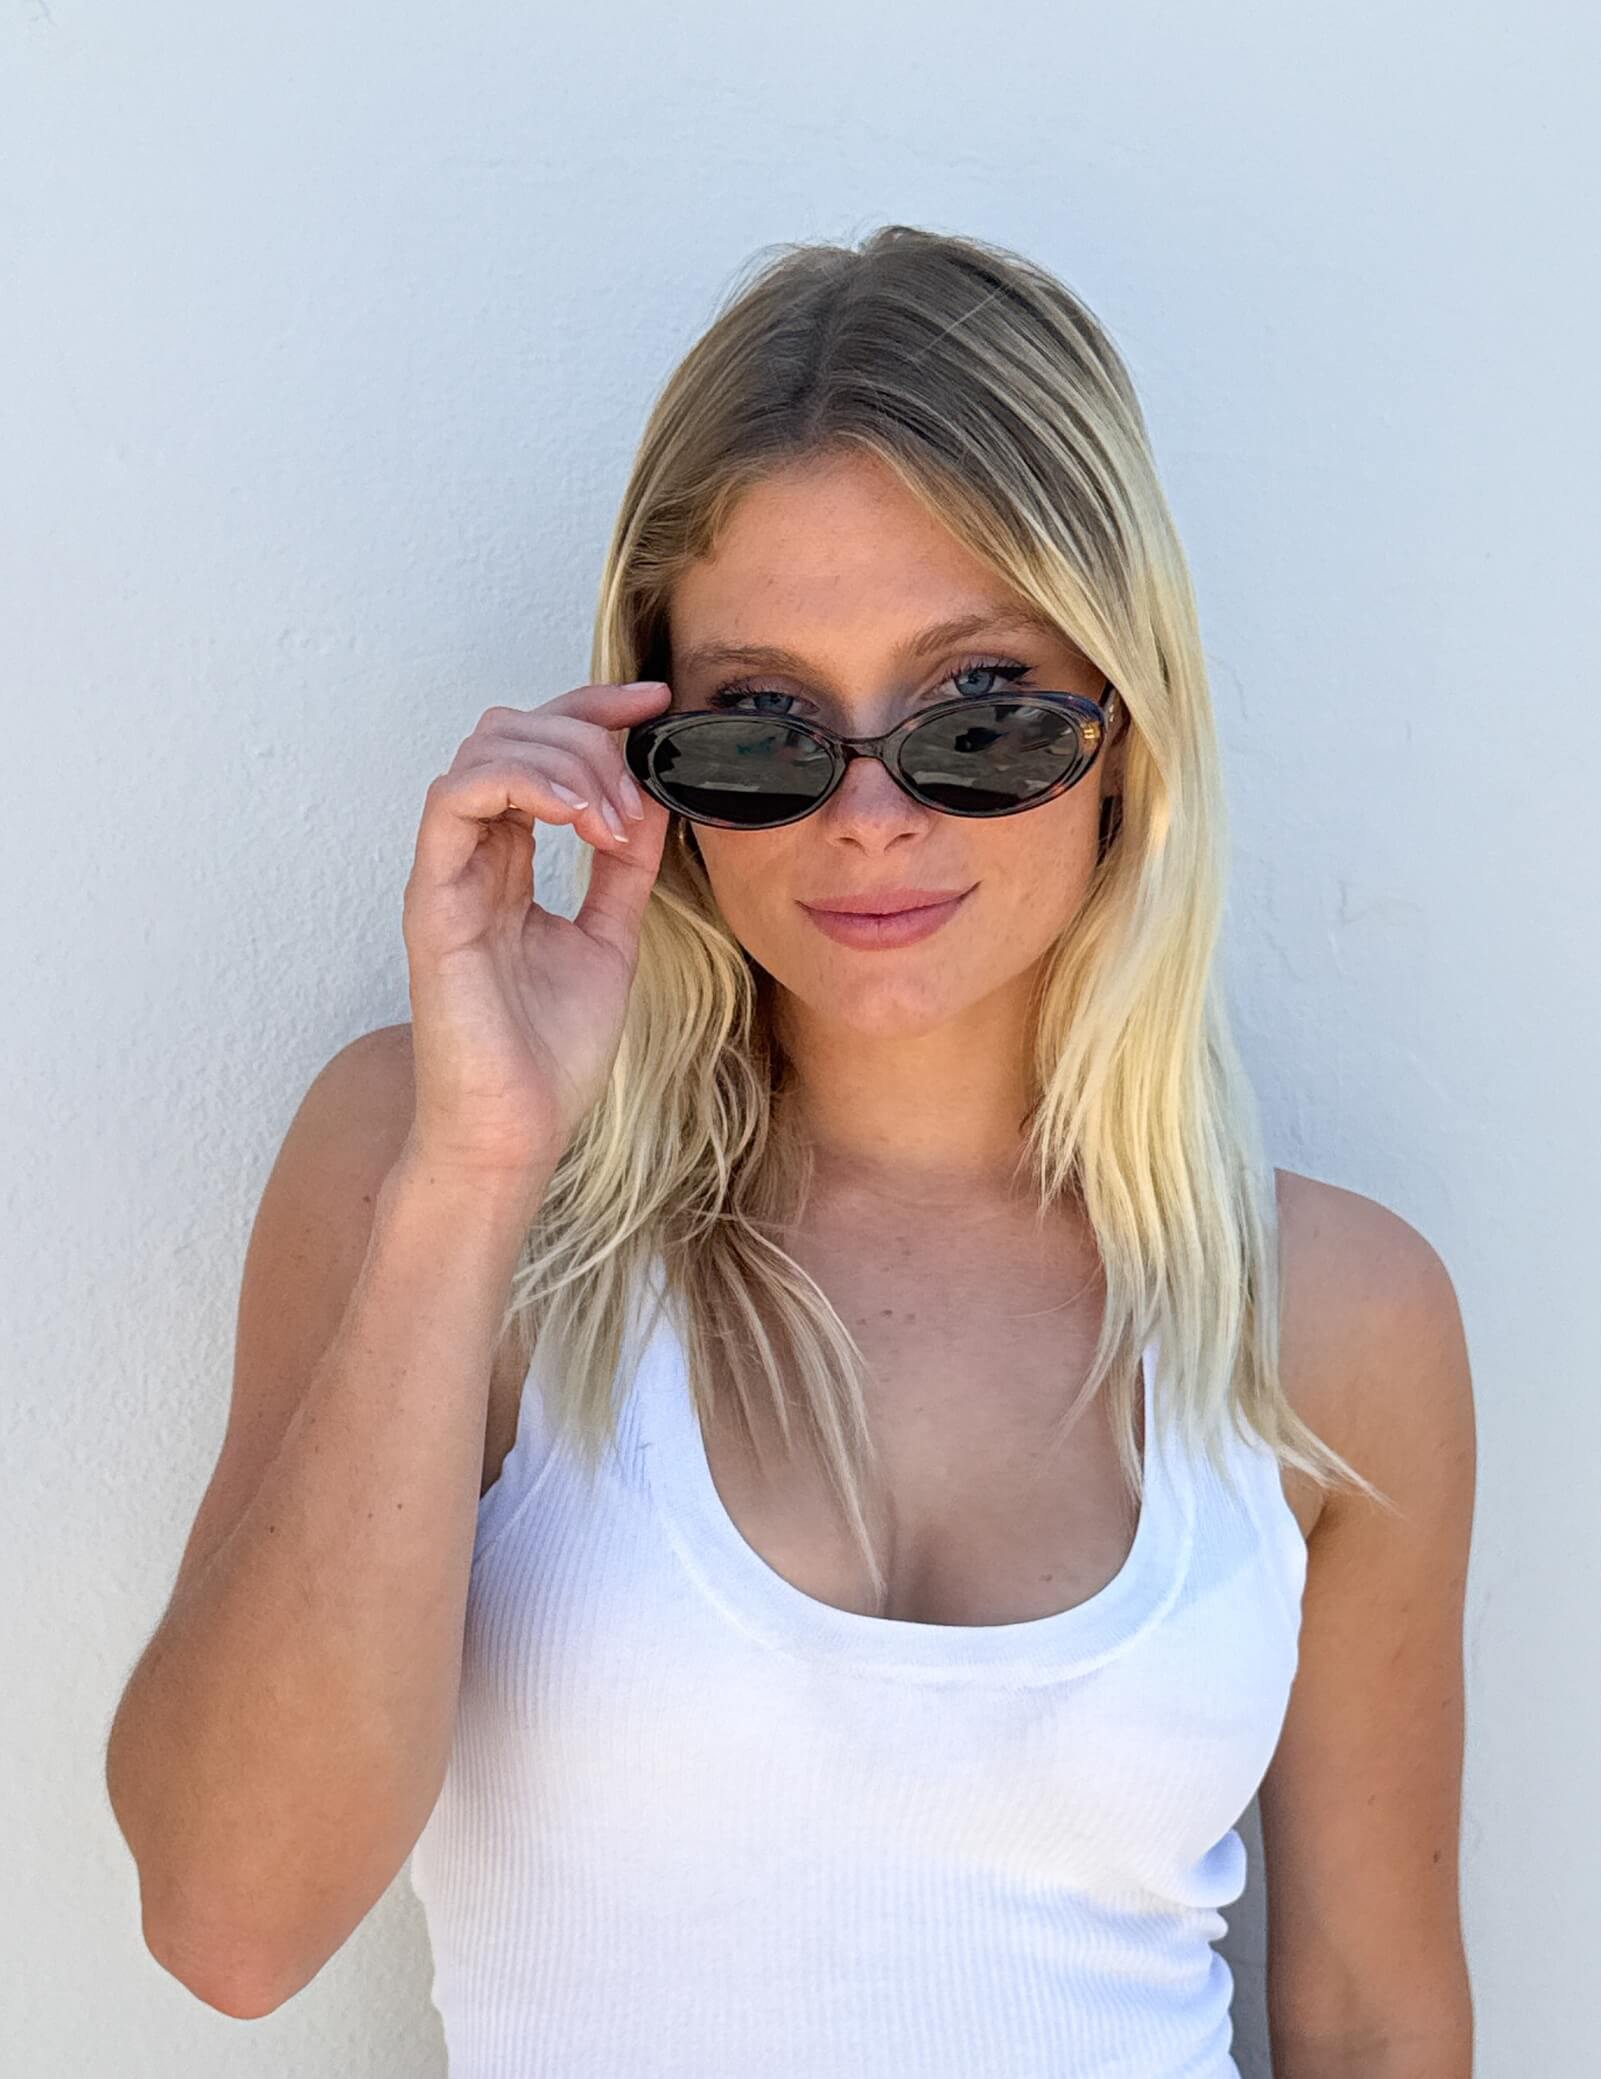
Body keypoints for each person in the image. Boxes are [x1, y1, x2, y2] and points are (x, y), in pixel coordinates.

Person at [105, 224, 1476, 2076]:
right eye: (763, 731)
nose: (871, 816)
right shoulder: (437, 1162)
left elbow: (1372, 2024)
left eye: (979, 714)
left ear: (1125, 728)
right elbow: (230, 1923)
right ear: (647, 750)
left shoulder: (1334, 1314)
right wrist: (475, 1175)